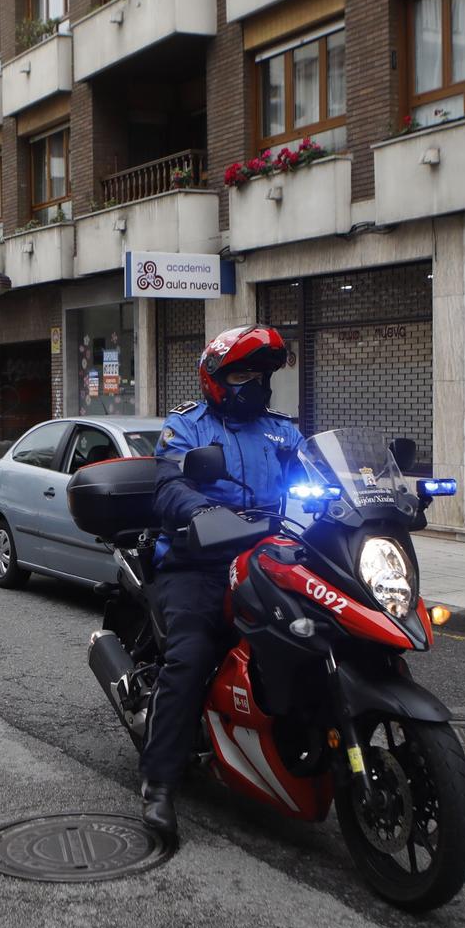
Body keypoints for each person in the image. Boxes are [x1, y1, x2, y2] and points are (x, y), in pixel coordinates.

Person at [140, 325, 303, 839]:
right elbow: (168, 484)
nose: (252, 384)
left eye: (260, 374)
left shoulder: (282, 432)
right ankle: (160, 784)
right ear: (215, 378)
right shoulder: (187, 427)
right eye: (240, 374)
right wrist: (203, 509)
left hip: (271, 558)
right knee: (189, 656)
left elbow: (319, 475)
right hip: (199, 561)